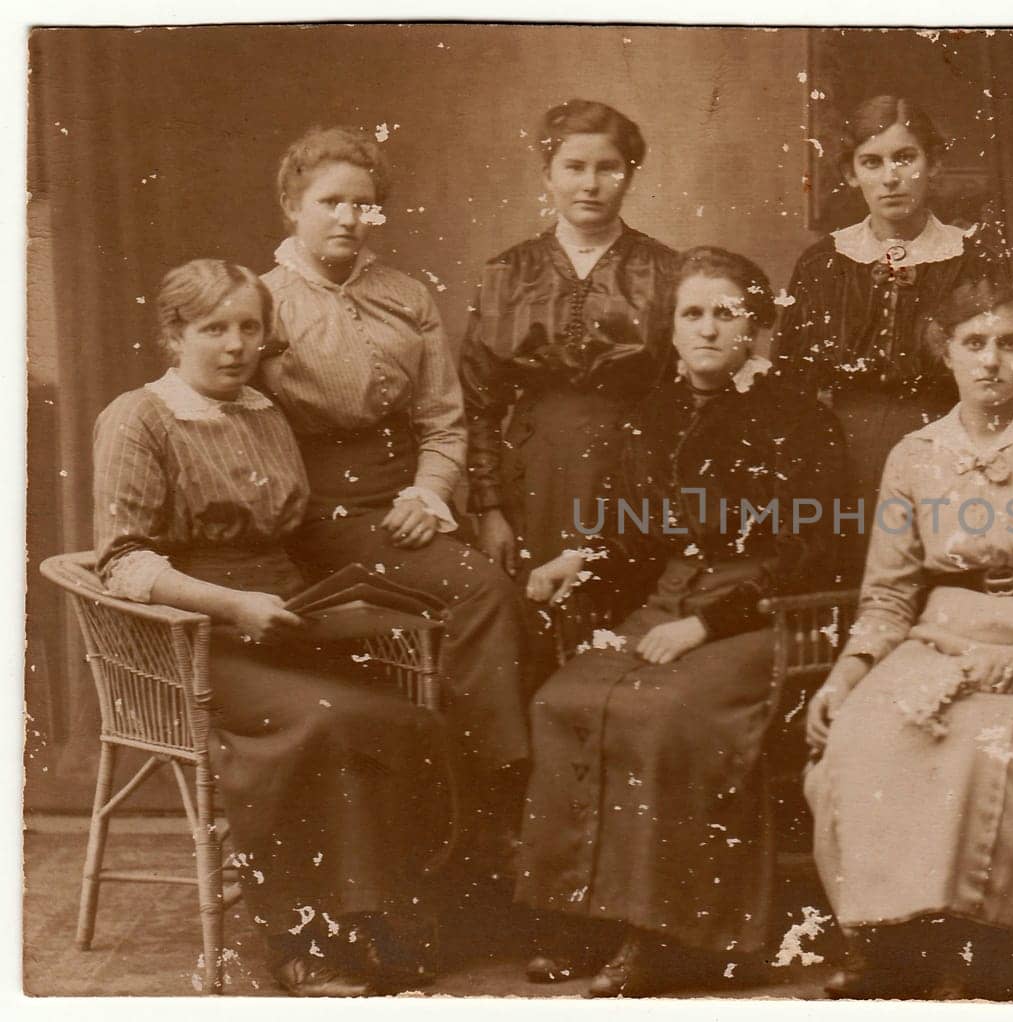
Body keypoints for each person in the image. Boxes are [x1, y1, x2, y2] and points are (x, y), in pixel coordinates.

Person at [93, 259, 452, 996]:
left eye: (249, 327)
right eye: (213, 328)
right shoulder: (140, 417)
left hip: (284, 617)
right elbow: (124, 564)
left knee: (399, 719)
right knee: (326, 722)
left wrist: (352, 596)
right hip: (191, 639)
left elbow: (295, 539)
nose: (234, 345)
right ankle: (299, 945)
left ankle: (373, 924)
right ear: (173, 335)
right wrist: (231, 607)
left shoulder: (262, 410)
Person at [512, 247, 847, 997]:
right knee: (561, 701)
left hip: (761, 615)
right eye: (691, 313)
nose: (705, 328)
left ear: (754, 325)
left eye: (724, 313)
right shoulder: (656, 413)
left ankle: (669, 938)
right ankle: (586, 922)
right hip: (668, 597)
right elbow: (635, 538)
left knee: (664, 712)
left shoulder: (798, 417)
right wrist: (583, 562)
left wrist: (708, 626)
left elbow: (811, 552)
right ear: (671, 328)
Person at [805, 278, 1013, 1001]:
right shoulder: (914, 454)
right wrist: (846, 674)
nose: (991, 361)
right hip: (939, 641)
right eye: (973, 343)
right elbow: (888, 597)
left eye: (1009, 343)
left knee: (975, 748)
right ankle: (885, 940)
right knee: (860, 736)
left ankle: (971, 949)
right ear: (944, 352)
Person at [257, 125, 532, 887]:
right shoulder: (263, 304)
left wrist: (428, 492)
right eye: (330, 202)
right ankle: (488, 807)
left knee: (494, 596)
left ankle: (486, 807)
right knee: (481, 594)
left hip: (406, 500)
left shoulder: (405, 295)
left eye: (365, 205)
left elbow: (443, 420)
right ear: (292, 206)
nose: (348, 218)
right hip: (317, 512)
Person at [772, 94, 1013, 579]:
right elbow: (789, 386)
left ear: (935, 163)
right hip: (843, 455)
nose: (890, 177)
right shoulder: (823, 264)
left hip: (946, 449)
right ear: (850, 173)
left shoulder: (973, 259)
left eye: (905, 158)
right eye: (872, 162)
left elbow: (1003, 372)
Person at [461, 99, 680, 575]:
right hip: (533, 472)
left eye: (608, 168)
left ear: (629, 175)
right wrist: (489, 507)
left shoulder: (667, 270)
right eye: (574, 167)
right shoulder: (507, 271)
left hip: (631, 469)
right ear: (548, 174)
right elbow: (479, 403)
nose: (590, 184)